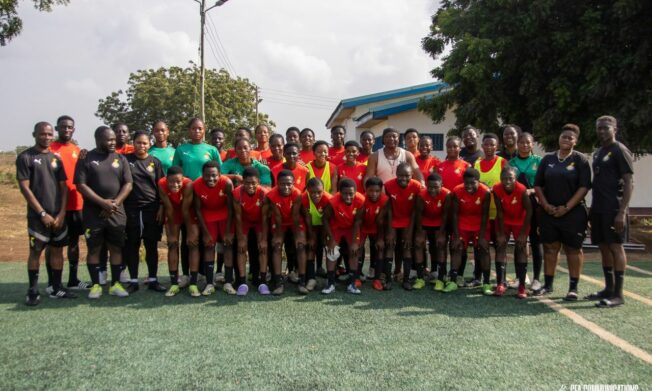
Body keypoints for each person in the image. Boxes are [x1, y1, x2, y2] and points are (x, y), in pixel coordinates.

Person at [18, 121, 73, 305]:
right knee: (36, 252)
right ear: (35, 134)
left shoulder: (55, 158)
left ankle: (56, 287)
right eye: (43, 134)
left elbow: (63, 187)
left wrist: (61, 213)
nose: (47, 137)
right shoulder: (25, 157)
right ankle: (33, 290)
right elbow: (25, 188)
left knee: (58, 250)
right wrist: (42, 213)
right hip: (38, 217)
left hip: (57, 215)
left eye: (50, 134)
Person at [74, 125, 133, 299]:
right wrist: (102, 203)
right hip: (93, 213)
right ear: (98, 140)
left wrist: (114, 204)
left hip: (117, 212)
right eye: (109, 139)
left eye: (114, 139)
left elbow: (128, 184)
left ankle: (115, 284)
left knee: (116, 248)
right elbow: (81, 185)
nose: (113, 142)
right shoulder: (86, 158)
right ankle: (96, 285)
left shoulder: (120, 159)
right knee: (94, 249)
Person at [534, 124, 591, 300]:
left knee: (573, 249)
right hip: (549, 212)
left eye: (570, 138)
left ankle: (573, 288)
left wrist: (566, 207)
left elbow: (584, 187)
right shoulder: (548, 159)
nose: (566, 140)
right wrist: (545, 205)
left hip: (573, 213)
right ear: (559, 138)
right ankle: (548, 285)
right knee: (550, 249)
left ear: (576, 141)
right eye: (564, 136)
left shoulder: (580, 160)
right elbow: (537, 185)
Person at [586, 116, 634, 308]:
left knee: (615, 246)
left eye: (606, 128)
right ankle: (608, 288)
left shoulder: (619, 150)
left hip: (614, 208)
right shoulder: (599, 152)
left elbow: (630, 182)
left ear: (615, 129)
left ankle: (618, 294)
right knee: (603, 247)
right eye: (599, 128)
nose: (602, 131)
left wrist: (622, 212)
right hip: (599, 207)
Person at [48, 115, 88, 290]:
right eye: (63, 127)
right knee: (54, 244)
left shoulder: (77, 150)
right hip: (55, 206)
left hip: (76, 203)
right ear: (57, 129)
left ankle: (73, 279)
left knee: (74, 242)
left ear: (74, 129)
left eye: (69, 127)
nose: (66, 130)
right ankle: (52, 282)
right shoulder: (49, 149)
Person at [123, 131, 165, 293]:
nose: (142, 146)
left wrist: (161, 207)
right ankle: (133, 281)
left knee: (151, 245)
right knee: (132, 245)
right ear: (133, 143)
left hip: (151, 209)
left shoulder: (155, 162)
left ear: (149, 144)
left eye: (145, 143)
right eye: (139, 142)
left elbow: (161, 186)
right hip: (131, 210)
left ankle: (153, 279)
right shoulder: (126, 161)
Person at [468, 133, 507, 287]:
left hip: (498, 212)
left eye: (492, 145)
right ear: (482, 146)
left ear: (496, 146)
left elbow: (507, 184)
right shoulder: (476, 163)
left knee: (499, 246)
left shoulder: (503, 162)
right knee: (480, 246)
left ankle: (500, 280)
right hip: (481, 213)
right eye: (486, 145)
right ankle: (478, 277)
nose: (489, 147)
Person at [194, 161, 235, 296]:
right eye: (207, 175)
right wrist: (205, 233)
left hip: (224, 215)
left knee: (227, 245)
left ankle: (228, 281)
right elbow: (198, 210)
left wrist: (228, 232)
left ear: (219, 175)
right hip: (208, 216)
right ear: (202, 175)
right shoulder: (197, 185)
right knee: (209, 246)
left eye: (214, 175)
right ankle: (209, 283)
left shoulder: (227, 183)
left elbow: (230, 208)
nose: (210, 179)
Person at [509, 132, 543, 290]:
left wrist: (532, 191)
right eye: (521, 142)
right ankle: (520, 276)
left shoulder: (539, 161)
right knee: (520, 243)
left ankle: (536, 278)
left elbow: (544, 183)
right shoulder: (511, 162)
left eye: (527, 142)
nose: (524, 145)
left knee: (536, 242)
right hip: (518, 208)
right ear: (517, 144)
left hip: (536, 206)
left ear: (532, 144)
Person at [448, 168, 491, 294]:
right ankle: (453, 280)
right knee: (457, 248)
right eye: (467, 183)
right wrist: (456, 236)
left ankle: (487, 283)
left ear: (479, 181)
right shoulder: (457, 191)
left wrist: (482, 237)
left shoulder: (486, 192)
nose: (469, 186)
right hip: (463, 223)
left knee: (483, 250)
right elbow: (455, 214)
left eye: (473, 183)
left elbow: (485, 215)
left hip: (480, 225)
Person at [157, 166, 197, 297]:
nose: (175, 184)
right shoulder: (161, 184)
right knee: (172, 244)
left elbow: (185, 210)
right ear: (166, 179)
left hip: (188, 213)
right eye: (171, 181)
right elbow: (168, 208)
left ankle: (193, 282)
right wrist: (172, 232)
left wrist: (190, 231)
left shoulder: (188, 184)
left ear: (183, 179)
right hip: (173, 213)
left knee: (192, 244)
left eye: (178, 181)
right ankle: (174, 282)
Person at [436, 136, 471, 284]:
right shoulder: (440, 167)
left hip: (461, 212)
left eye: (455, 146)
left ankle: (458, 274)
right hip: (443, 212)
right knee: (442, 243)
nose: (452, 149)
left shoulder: (466, 166)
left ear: (460, 147)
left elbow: (470, 188)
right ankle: (442, 273)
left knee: (458, 244)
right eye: (449, 146)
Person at [493, 166, 532, 298]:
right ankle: (500, 283)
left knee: (520, 248)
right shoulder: (497, 189)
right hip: (505, 221)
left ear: (515, 179)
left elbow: (529, 211)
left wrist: (523, 234)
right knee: (500, 246)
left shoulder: (521, 189)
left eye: (510, 178)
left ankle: (521, 287)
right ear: (500, 179)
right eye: (504, 178)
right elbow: (499, 211)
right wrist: (500, 233)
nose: (507, 181)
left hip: (520, 222)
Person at [322, 178, 365, 294]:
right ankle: (330, 284)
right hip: (336, 227)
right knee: (332, 252)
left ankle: (352, 284)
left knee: (354, 251)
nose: (348, 197)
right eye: (344, 193)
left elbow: (357, 222)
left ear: (355, 192)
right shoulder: (333, 201)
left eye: (351, 194)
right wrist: (330, 239)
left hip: (351, 228)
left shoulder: (361, 201)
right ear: (339, 192)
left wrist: (355, 242)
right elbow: (325, 219)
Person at [266, 169, 306, 295]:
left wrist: (298, 236)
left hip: (294, 221)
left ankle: (302, 281)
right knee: (277, 247)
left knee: (300, 246)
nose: (286, 187)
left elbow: (295, 216)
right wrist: (277, 236)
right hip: (279, 222)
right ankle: (278, 281)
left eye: (289, 184)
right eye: (282, 184)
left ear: (293, 183)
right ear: (277, 183)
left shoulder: (297, 194)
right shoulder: (271, 195)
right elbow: (277, 217)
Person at [384, 163, 422, 290]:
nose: (403, 178)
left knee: (407, 246)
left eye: (407, 175)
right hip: (393, 219)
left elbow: (415, 211)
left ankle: (406, 280)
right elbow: (389, 209)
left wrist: (409, 232)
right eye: (400, 175)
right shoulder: (388, 185)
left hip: (408, 220)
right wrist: (389, 230)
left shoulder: (416, 186)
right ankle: (388, 280)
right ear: (396, 174)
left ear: (412, 175)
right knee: (390, 245)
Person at [233, 167, 270, 295]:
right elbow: (237, 217)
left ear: (258, 182)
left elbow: (265, 218)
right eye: (247, 183)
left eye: (253, 183)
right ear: (243, 182)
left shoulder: (263, 193)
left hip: (259, 222)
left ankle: (263, 281)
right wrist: (241, 239)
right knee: (241, 248)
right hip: (244, 221)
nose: (250, 186)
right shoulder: (237, 193)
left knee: (263, 248)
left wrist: (264, 239)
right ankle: (242, 282)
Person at [414, 172, 450, 291]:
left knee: (440, 245)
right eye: (430, 187)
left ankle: (440, 279)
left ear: (442, 185)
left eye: (436, 187)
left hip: (440, 223)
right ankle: (420, 278)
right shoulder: (421, 195)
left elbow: (445, 215)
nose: (432, 190)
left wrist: (442, 233)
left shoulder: (447, 194)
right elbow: (419, 214)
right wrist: (420, 232)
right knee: (418, 244)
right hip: (425, 222)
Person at [353, 177, 388, 291]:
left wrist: (380, 239)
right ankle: (357, 277)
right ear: (366, 189)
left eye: (377, 191)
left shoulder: (384, 200)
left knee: (379, 248)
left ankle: (377, 279)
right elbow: (358, 221)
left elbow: (381, 222)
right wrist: (357, 239)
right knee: (358, 248)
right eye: (371, 191)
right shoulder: (361, 200)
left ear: (381, 190)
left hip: (376, 227)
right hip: (363, 227)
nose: (374, 194)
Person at [300, 177, 333, 290]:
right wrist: (311, 236)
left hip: (325, 226)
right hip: (311, 226)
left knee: (325, 245)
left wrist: (324, 237)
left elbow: (326, 220)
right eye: (312, 192)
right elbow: (307, 220)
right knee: (311, 246)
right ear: (308, 190)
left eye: (319, 192)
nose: (316, 195)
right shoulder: (303, 198)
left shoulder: (329, 199)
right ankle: (311, 277)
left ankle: (329, 276)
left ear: (323, 190)